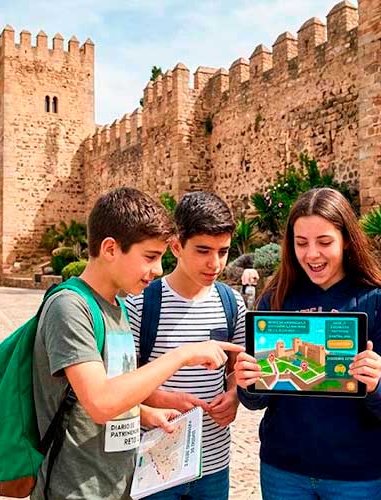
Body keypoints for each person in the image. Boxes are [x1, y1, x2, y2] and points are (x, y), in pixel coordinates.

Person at [31, 187, 244, 500]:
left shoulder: (115, 306)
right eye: (150, 257)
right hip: (77, 488)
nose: (158, 269)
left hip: (122, 480)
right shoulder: (70, 306)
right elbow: (101, 402)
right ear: (110, 248)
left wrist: (147, 414)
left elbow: (119, 389)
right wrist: (182, 355)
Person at [233, 188, 381, 500]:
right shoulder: (275, 300)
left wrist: (375, 384)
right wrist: (247, 382)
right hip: (282, 472)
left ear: (347, 240)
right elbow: (257, 401)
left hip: (355, 476)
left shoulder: (378, 303)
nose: (312, 254)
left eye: (324, 242)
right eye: (301, 243)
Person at [125, 191, 246, 500]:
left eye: (223, 251)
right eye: (203, 250)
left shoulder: (232, 303)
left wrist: (234, 396)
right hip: (155, 463)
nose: (215, 263)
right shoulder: (141, 303)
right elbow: (122, 384)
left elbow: (237, 370)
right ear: (176, 246)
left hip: (214, 465)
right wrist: (161, 398)